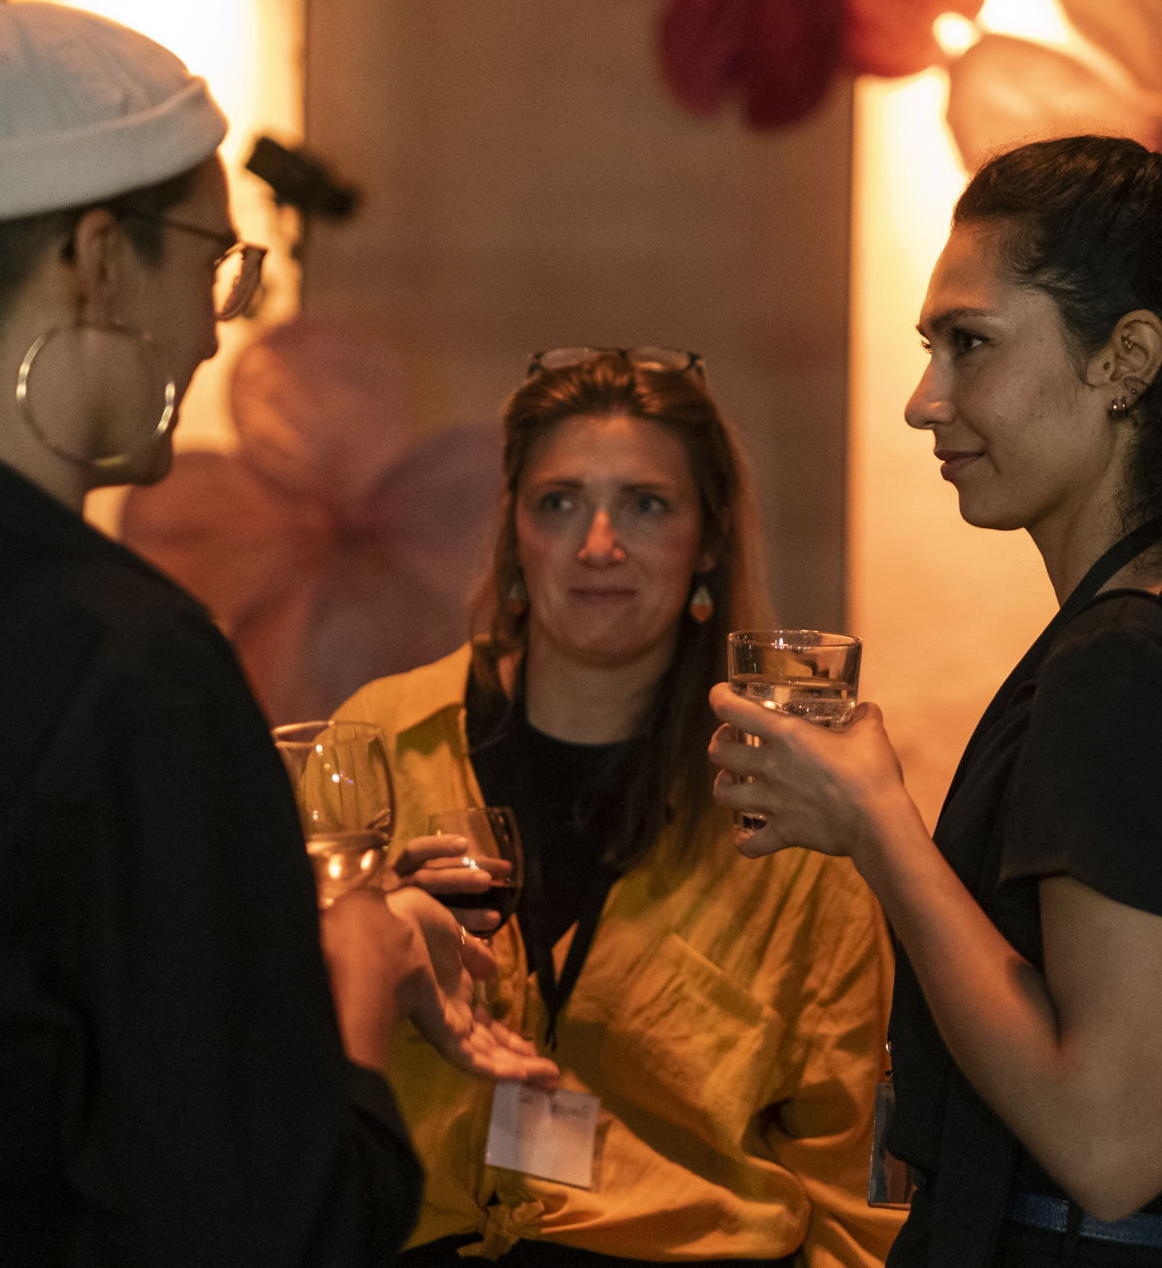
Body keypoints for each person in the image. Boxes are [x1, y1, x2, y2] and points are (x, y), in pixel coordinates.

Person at [0, 0, 549, 1267]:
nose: (217, 324)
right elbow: (279, 1223)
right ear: (98, 258)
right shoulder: (132, 668)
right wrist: (358, 953)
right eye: (211, 262)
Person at [709, 136, 1162, 1267]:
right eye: (929, 348)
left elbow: (1111, 1140)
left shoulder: (1130, 663)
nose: (922, 401)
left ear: (1124, 359)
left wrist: (878, 827)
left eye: (969, 343)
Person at [331, 349, 903, 1267]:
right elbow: (255, 1037)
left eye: (646, 504)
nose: (599, 544)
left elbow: (851, 1192)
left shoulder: (788, 806)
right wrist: (367, 939)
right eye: (559, 502)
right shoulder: (383, 743)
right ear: (515, 533)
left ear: (708, 541)